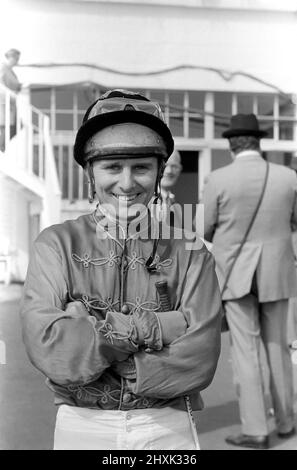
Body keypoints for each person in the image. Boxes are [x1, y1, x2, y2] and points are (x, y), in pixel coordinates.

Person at [20, 89, 222, 450]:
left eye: (141, 167)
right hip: (82, 425)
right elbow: (54, 352)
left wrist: (92, 333)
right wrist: (161, 326)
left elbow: (201, 357)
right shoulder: (57, 244)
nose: (127, 183)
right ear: (90, 174)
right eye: (112, 167)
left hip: (167, 426)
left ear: (159, 173)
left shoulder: (190, 250)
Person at [203, 113, 297, 449]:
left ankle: (257, 429)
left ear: (231, 145)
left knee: (246, 354)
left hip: (236, 276)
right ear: (259, 142)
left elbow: (204, 229)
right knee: (279, 350)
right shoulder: (287, 176)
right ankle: (286, 422)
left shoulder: (218, 178)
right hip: (277, 273)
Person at [0, 48, 22, 151]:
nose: (17, 61)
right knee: (6, 125)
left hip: (11, 103)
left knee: (16, 125)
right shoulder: (3, 68)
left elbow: (15, 85)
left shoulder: (11, 71)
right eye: (16, 58)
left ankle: (2, 145)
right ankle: (1, 146)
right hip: (4, 102)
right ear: (10, 57)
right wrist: (11, 92)